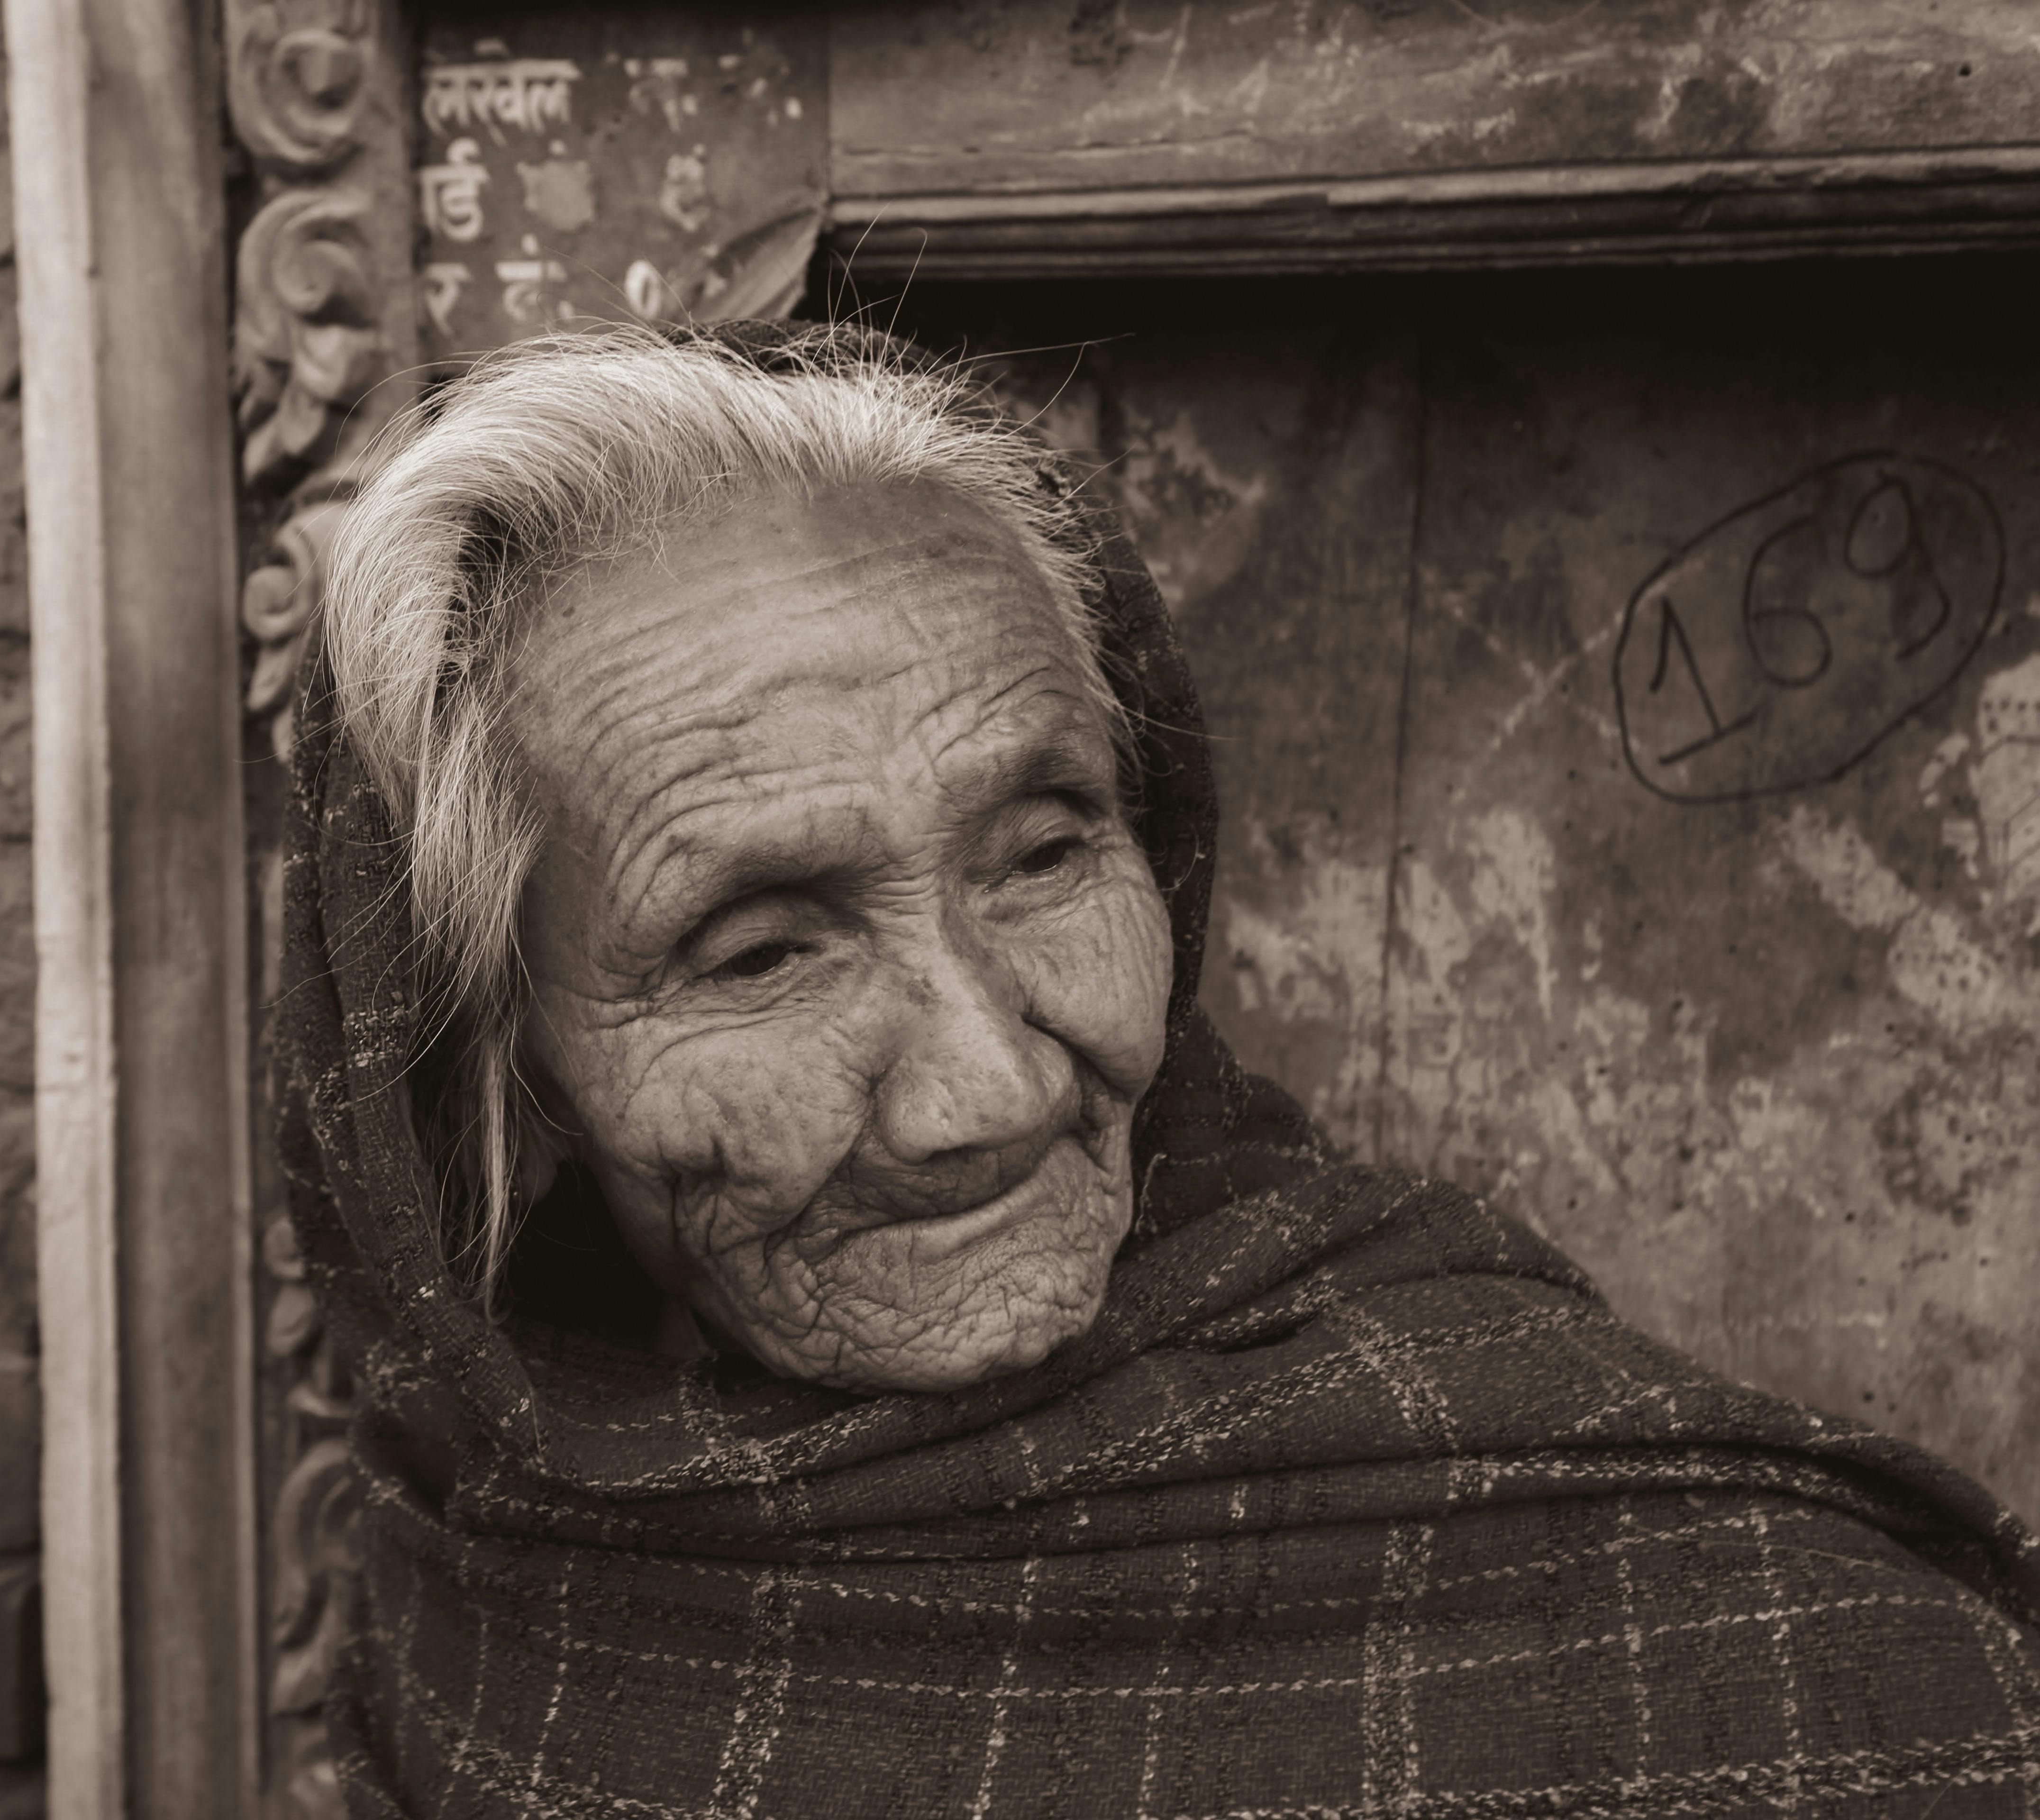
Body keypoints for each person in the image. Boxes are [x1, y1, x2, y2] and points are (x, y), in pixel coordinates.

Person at [277, 321, 2040, 1819]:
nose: (989, 1086)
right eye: (760, 953)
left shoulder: (1718, 1635)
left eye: (1044, 855)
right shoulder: (498, 1545)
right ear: (504, 1068)